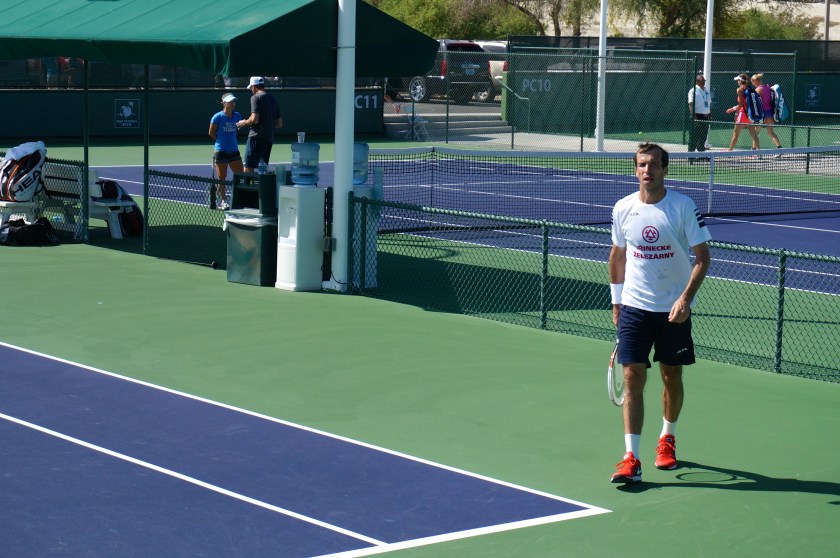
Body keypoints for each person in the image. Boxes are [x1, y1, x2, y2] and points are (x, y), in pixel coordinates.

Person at [608, 143, 712, 484]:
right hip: (636, 306)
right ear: (635, 169)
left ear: (665, 170)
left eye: (653, 164)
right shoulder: (623, 208)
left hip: (673, 310)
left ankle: (667, 437)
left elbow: (703, 258)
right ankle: (631, 458)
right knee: (632, 376)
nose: (646, 170)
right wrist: (617, 301)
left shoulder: (682, 207)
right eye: (641, 165)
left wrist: (685, 299)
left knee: (671, 377)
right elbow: (618, 257)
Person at [236, 76, 282, 172]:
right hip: (268, 139)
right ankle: (262, 187)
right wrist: (267, 123)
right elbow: (279, 124)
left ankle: (247, 187)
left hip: (256, 138)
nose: (251, 90)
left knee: (248, 167)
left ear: (254, 87)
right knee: (263, 168)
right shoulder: (274, 100)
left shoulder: (255, 97)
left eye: (251, 88)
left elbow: (254, 119)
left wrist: (243, 122)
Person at [209, 93, 244, 210]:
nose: (233, 104)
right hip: (221, 151)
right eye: (230, 102)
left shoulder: (237, 115)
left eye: (234, 101)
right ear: (224, 103)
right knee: (221, 177)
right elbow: (211, 133)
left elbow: (237, 128)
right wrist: (221, 142)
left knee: (241, 175)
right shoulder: (217, 117)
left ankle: (241, 199)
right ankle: (223, 201)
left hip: (234, 151)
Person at [726, 73, 760, 152]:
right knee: (754, 134)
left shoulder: (739, 90)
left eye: (738, 80)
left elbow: (741, 104)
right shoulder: (750, 88)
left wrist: (734, 110)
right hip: (750, 114)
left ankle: (729, 151)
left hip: (743, 114)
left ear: (741, 81)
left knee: (735, 134)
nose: (737, 81)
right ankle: (759, 153)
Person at [751, 73, 783, 153]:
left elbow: (753, 101)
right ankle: (779, 149)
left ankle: (754, 152)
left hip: (762, 114)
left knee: (755, 133)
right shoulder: (768, 87)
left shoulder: (758, 89)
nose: (753, 84)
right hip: (770, 112)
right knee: (771, 132)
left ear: (755, 81)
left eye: (753, 82)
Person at [687, 74, 711, 153]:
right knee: (694, 137)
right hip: (697, 116)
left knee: (703, 137)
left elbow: (708, 103)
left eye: (704, 80)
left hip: (705, 117)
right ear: (697, 81)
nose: (704, 82)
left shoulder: (706, 91)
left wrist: (709, 113)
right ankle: (691, 156)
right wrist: (694, 117)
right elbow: (691, 104)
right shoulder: (693, 91)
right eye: (702, 80)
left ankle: (701, 155)